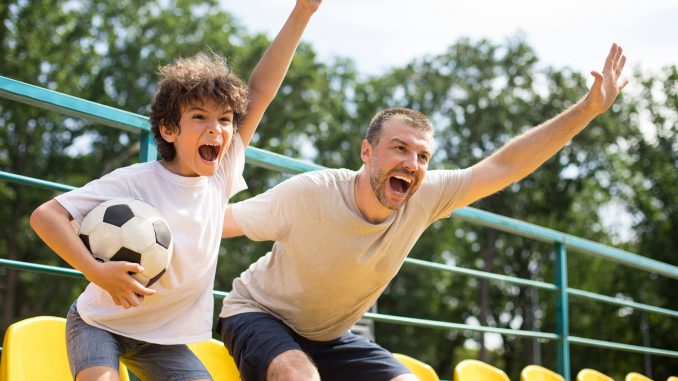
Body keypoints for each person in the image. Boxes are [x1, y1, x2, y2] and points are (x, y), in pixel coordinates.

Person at [217, 43, 628, 381]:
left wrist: (587, 110)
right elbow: (218, 223)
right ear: (367, 152)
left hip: (329, 337)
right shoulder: (311, 193)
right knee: (297, 376)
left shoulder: (426, 195)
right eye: (399, 148)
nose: (412, 163)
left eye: (423, 155)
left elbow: (504, 166)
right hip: (257, 314)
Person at [29, 1, 322, 380]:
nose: (215, 128)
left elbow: (260, 90)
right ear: (169, 130)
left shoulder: (221, 175)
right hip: (99, 324)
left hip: (162, 341)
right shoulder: (135, 180)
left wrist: (303, 12)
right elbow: (46, 216)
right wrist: (96, 273)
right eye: (199, 117)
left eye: (225, 120)